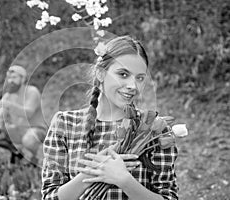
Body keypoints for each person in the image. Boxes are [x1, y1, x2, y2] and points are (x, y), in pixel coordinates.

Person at [41, 36, 178, 200]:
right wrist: (91, 173)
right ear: (100, 73)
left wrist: (124, 180)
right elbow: (50, 197)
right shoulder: (65, 124)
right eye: (123, 74)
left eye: (139, 78)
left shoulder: (153, 128)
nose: (132, 86)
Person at [0, 65, 48, 164]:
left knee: (28, 140)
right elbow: (0, 118)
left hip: (35, 129)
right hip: (17, 130)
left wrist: (9, 105)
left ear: (23, 79)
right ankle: (17, 153)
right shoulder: (7, 96)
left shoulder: (32, 92)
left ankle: (34, 157)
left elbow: (28, 113)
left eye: (14, 78)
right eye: (9, 78)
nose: (10, 81)